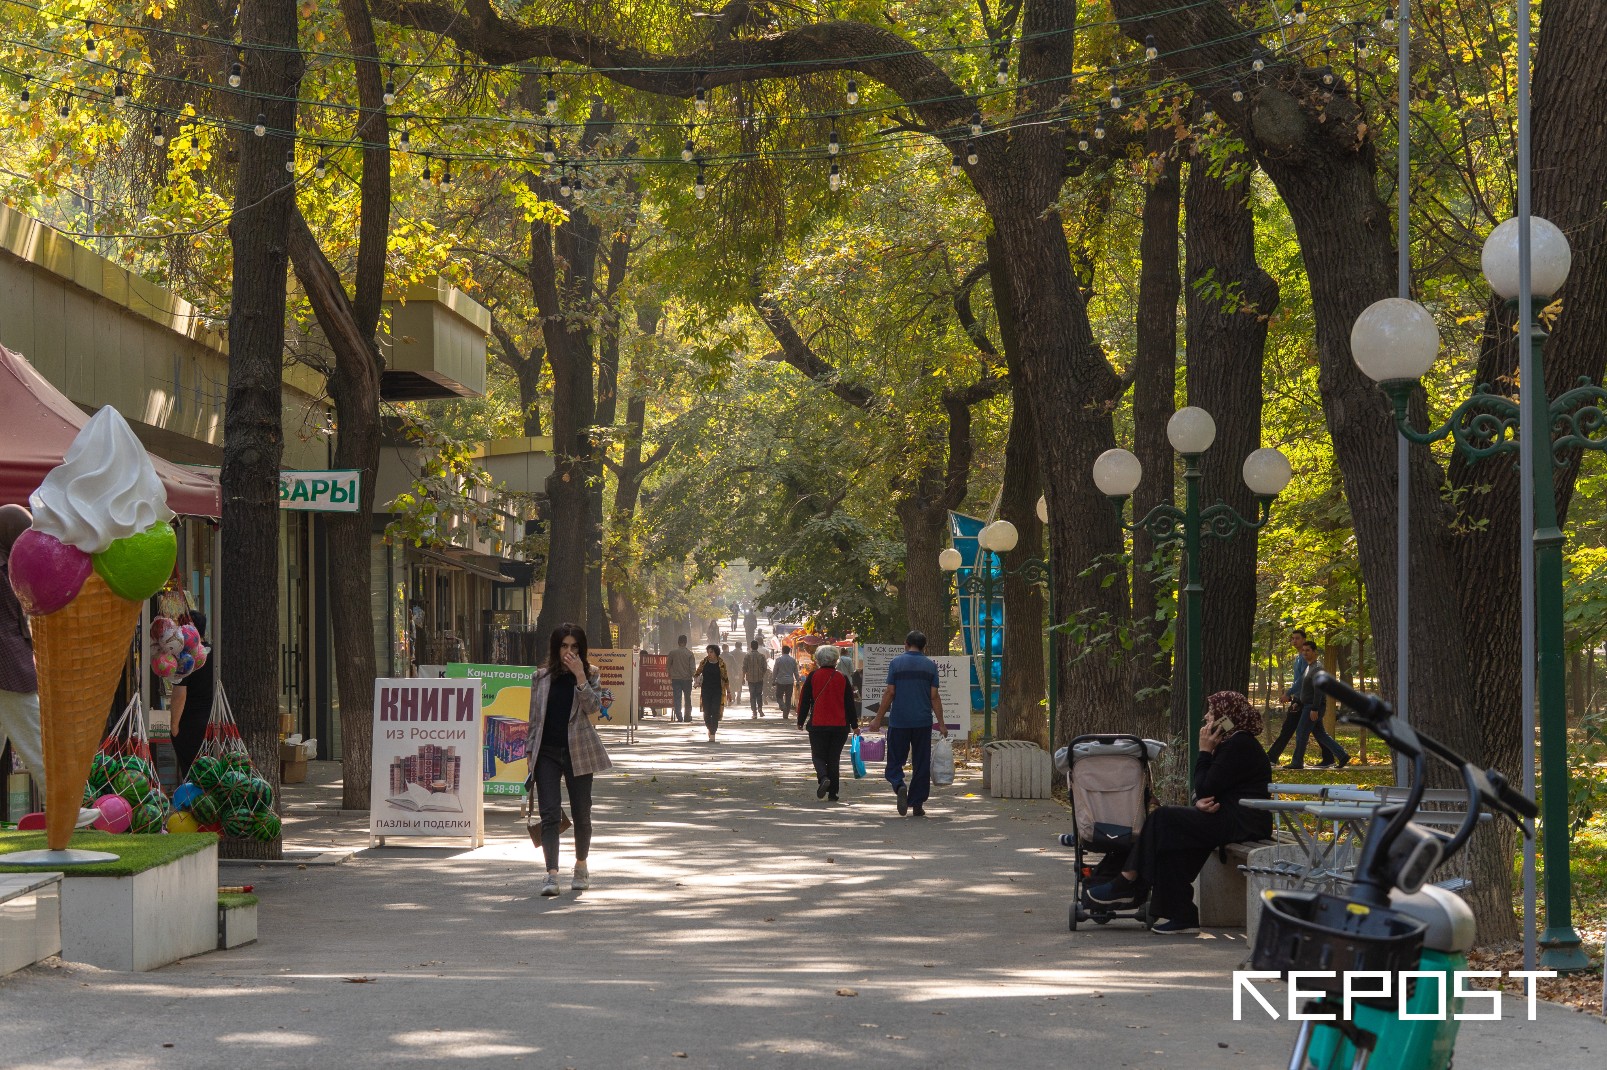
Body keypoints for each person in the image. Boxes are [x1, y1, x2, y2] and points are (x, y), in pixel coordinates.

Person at [1086, 690, 1274, 933]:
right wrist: (1198, 802)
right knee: (1170, 840)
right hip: (1229, 816)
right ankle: (1182, 914)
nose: (1207, 717)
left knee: (1163, 818)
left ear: (1226, 717)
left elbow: (1205, 785)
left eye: (1212, 712)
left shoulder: (1239, 743)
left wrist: (1204, 751)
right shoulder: (1231, 743)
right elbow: (1207, 790)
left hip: (1244, 820)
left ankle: (1127, 880)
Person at [525, 623, 611, 897]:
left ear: (581, 649)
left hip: (578, 751)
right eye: (564, 646)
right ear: (556, 648)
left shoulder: (590, 674)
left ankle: (581, 866)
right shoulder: (540, 678)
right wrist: (530, 754)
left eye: (575, 647)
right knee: (549, 814)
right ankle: (551, 875)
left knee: (581, 813)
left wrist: (580, 678)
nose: (569, 652)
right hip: (546, 753)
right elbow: (534, 720)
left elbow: (594, 708)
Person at [867, 630, 948, 817]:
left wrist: (878, 718)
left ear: (906, 643)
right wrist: (941, 723)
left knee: (895, 760)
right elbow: (934, 696)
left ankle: (899, 784)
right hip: (922, 721)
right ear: (923, 646)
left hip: (899, 721)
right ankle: (917, 803)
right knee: (921, 763)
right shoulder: (930, 666)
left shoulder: (896, 663)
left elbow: (890, 692)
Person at [0, 505, 44, 794]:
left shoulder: (8, 564)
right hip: (11, 667)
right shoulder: (3, 567)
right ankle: (64, 808)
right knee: (38, 739)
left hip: (11, 664)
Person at [796, 644, 858, 801]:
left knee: (818, 756)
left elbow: (804, 700)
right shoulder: (842, 678)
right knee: (833, 758)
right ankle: (833, 792)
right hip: (840, 725)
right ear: (835, 660)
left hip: (818, 724)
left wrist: (800, 720)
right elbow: (849, 703)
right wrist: (855, 725)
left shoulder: (813, 676)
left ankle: (823, 778)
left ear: (818, 660)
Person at [168, 611, 215, 780]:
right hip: (211, 719)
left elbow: (180, 694)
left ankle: (193, 802)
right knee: (208, 770)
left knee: (191, 771)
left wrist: (174, 727)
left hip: (190, 724)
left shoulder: (186, 659)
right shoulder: (212, 653)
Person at [1294, 641, 1349, 770]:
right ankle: (1342, 755)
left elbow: (1319, 690)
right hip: (1307, 705)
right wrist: (1298, 702)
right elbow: (1306, 688)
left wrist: (1314, 708)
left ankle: (1297, 762)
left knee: (1301, 733)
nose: (1305, 653)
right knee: (1320, 734)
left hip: (1312, 706)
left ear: (1315, 652)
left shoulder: (1317, 668)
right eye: (1303, 650)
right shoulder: (1309, 667)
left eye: (1308, 650)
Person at [1265, 627, 1311, 766]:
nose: (1294, 641)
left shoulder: (1304, 657)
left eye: (1297, 638)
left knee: (1288, 728)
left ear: (1304, 640)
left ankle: (1272, 757)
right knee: (1316, 731)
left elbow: (1303, 680)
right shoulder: (1298, 658)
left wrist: (1289, 693)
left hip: (1304, 700)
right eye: (1293, 638)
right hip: (1300, 699)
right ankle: (1331, 757)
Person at [693, 643, 730, 742]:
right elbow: (697, 673)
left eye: (711, 652)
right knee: (707, 713)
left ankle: (713, 732)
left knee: (715, 712)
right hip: (706, 691)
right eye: (708, 652)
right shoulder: (704, 662)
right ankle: (709, 728)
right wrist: (697, 680)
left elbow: (725, 678)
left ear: (716, 652)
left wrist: (729, 691)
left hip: (717, 691)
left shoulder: (721, 664)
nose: (709, 654)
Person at [666, 634, 696, 724]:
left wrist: (670, 674)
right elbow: (692, 668)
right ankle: (687, 716)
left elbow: (668, 665)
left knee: (677, 697)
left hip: (676, 679)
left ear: (678, 642)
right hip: (687, 679)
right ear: (686, 642)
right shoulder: (690, 654)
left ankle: (679, 716)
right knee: (687, 698)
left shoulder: (672, 653)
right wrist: (695, 677)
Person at [743, 641, 770, 718]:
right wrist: (761, 674)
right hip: (759, 679)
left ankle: (754, 712)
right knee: (759, 694)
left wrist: (743, 678)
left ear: (751, 646)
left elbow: (744, 668)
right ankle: (760, 709)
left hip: (750, 679)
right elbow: (765, 668)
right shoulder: (761, 656)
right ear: (757, 646)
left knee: (752, 695)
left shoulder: (747, 656)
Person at [772, 643, 799, 719]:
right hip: (790, 681)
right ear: (789, 651)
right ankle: (785, 715)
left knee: (778, 696)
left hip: (780, 681)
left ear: (782, 651)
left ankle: (783, 706)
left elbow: (775, 671)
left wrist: (773, 680)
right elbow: (796, 672)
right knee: (788, 698)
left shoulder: (779, 660)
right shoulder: (793, 660)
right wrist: (797, 680)